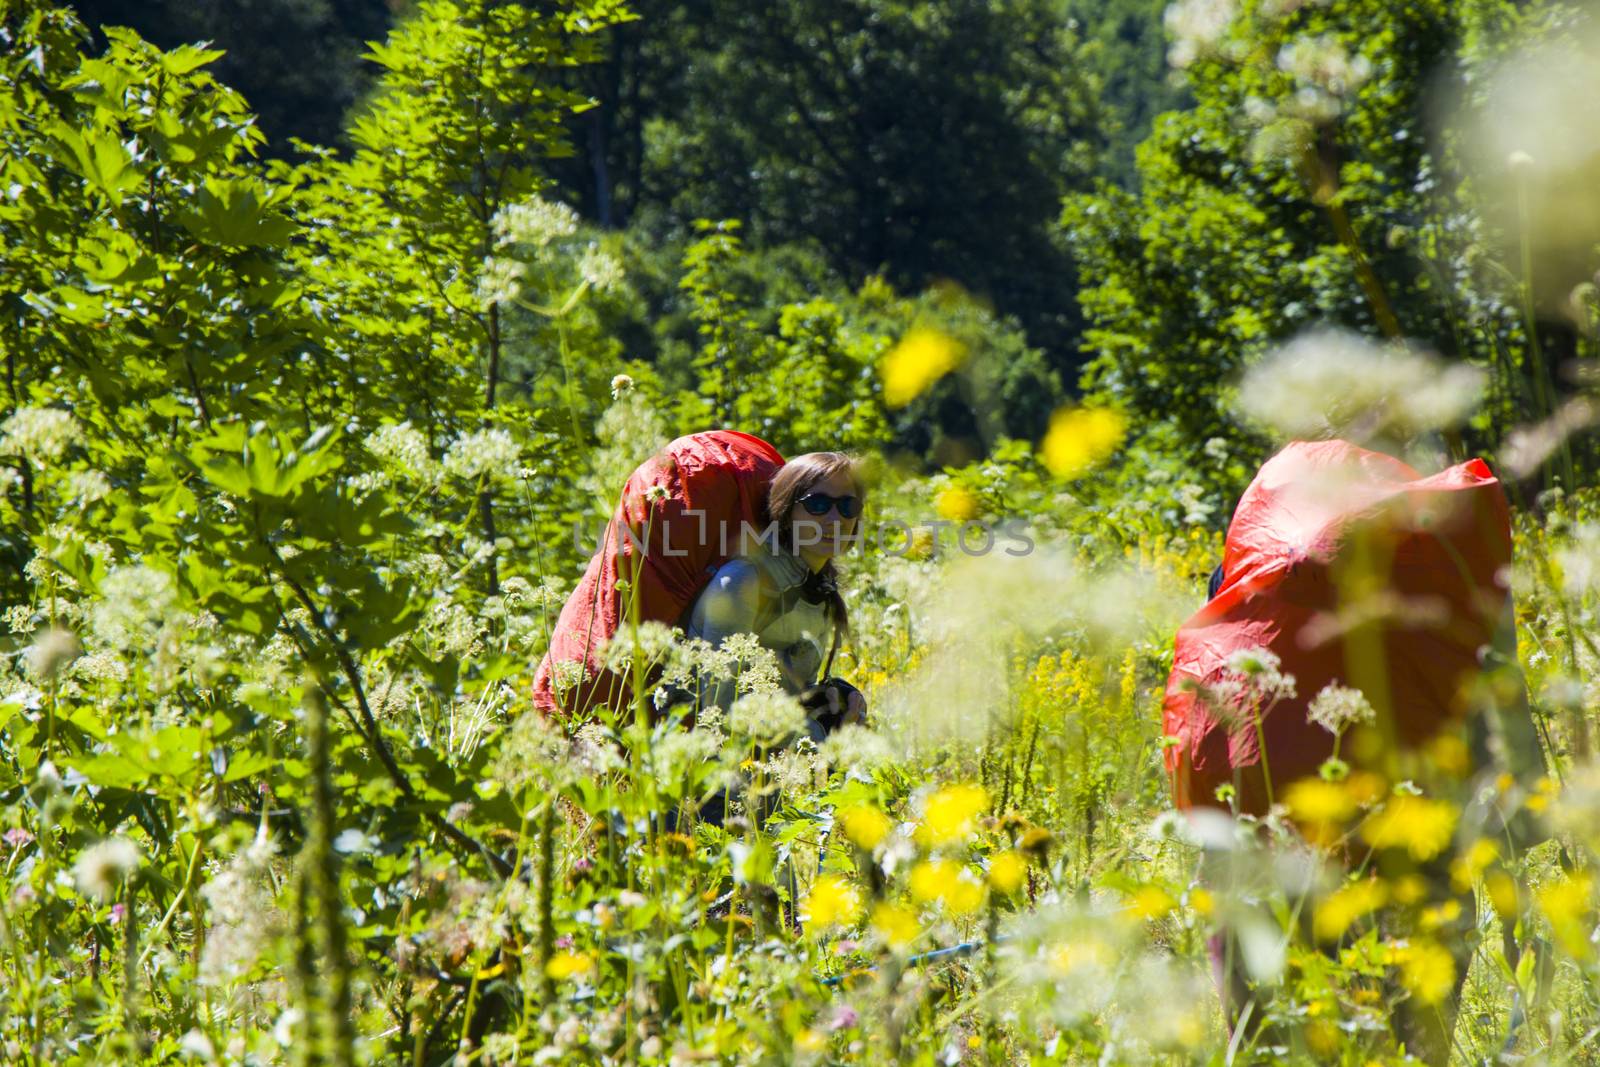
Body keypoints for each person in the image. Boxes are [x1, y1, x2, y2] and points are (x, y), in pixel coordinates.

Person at [674, 451, 869, 823]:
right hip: (707, 790)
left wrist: (830, 702)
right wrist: (822, 739)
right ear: (785, 511)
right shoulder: (744, 582)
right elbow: (718, 710)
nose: (834, 519)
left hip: (761, 784)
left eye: (848, 505)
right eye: (817, 504)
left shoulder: (820, 591)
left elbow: (785, 688)